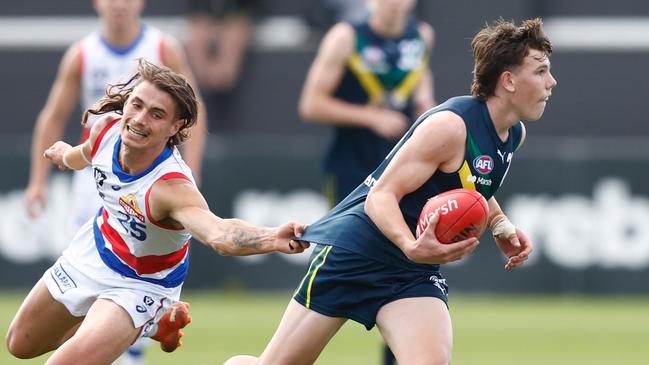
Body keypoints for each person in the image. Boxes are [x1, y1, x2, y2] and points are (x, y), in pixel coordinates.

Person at [225, 17, 556, 365]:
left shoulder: (513, 133)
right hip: (354, 254)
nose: (552, 82)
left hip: (410, 271)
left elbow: (470, 185)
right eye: (541, 71)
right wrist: (411, 245)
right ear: (508, 81)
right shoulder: (449, 127)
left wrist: (499, 224)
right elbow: (379, 197)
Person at [6, 59, 310, 365]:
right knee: (20, 344)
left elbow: (219, 234)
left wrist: (272, 236)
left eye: (156, 115)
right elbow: (84, 155)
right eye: (136, 105)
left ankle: (145, 318)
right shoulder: (106, 129)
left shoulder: (170, 188)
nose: (139, 119)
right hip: (95, 250)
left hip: (141, 284)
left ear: (174, 127)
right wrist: (63, 155)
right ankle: (149, 326)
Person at [22, 2, 208, 363]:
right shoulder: (82, 53)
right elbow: (54, 114)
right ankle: (148, 325)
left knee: (132, 281)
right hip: (97, 177)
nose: (119, 4)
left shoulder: (163, 47)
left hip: (147, 179)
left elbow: (192, 111)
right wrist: (37, 182)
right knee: (82, 293)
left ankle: (133, 339)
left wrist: (192, 172)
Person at [299, 0, 437, 207]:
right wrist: (372, 117)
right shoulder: (345, 36)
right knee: (345, 237)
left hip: (402, 164)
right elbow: (311, 105)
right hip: (352, 164)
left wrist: (426, 107)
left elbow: (422, 85)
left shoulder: (422, 35)